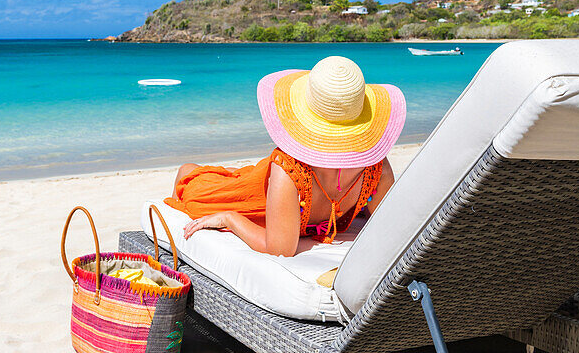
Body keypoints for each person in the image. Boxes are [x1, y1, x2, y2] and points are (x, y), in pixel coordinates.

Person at [166, 56, 405, 257]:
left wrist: (229, 219)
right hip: (257, 191)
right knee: (190, 177)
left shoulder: (292, 168)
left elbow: (280, 249)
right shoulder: (377, 168)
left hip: (270, 189)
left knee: (208, 177)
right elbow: (395, 225)